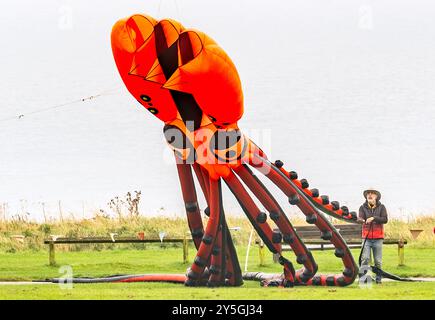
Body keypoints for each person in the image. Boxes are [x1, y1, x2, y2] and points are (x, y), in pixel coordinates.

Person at [357, 188, 388, 284]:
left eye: (372, 194)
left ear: (376, 197)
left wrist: (374, 218)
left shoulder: (382, 207)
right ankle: (363, 279)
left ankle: (378, 280)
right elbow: (360, 218)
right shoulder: (362, 207)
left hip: (378, 238)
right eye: (368, 194)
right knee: (365, 259)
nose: (370, 195)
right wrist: (361, 220)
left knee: (378, 261)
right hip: (366, 238)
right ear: (366, 197)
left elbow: (385, 219)